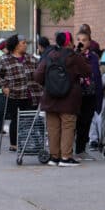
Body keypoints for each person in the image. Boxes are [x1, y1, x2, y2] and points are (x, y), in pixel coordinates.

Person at [34, 32, 91, 166]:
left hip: (50, 98)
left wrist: (49, 85)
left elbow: (37, 76)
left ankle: (54, 157)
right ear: (69, 42)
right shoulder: (73, 56)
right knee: (67, 127)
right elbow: (87, 71)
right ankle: (66, 157)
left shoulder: (49, 55)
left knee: (53, 128)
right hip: (69, 99)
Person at [0, 34, 41, 152]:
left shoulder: (31, 58)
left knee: (29, 119)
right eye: (23, 43)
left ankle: (28, 142)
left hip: (31, 94)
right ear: (16, 45)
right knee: (16, 119)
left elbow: (39, 73)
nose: (26, 45)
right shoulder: (5, 59)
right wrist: (4, 86)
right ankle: (14, 143)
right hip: (14, 94)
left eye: (26, 42)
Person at [75, 31, 103, 160]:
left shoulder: (93, 57)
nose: (81, 42)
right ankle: (68, 150)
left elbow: (97, 76)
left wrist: (99, 95)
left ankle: (81, 149)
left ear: (89, 42)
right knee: (74, 123)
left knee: (86, 122)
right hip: (76, 94)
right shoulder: (74, 56)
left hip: (90, 93)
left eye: (84, 40)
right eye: (79, 39)